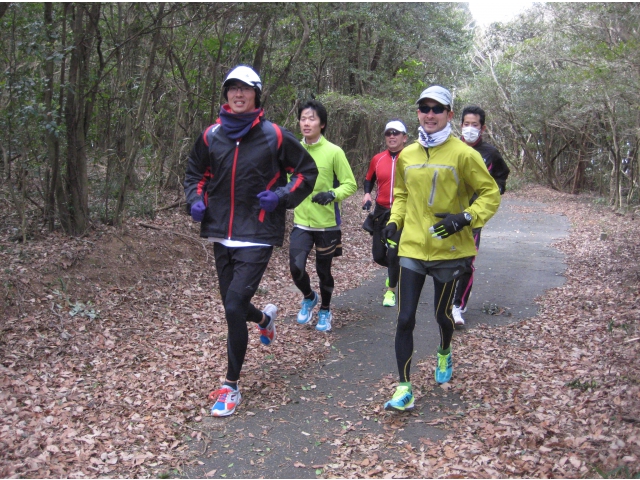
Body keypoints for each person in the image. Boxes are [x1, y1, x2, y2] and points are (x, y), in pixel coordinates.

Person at [184, 65, 318, 417]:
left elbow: (306, 172)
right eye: (232, 89)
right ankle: (263, 320)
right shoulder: (212, 135)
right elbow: (195, 173)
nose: (238, 94)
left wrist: (282, 196)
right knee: (236, 305)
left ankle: (230, 387)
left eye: (245, 89)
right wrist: (195, 200)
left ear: (257, 95)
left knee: (231, 308)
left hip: (257, 233)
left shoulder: (274, 135)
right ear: (226, 94)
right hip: (220, 232)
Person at [382, 85, 501, 412]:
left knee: (441, 314)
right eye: (425, 108)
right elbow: (402, 195)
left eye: (438, 109)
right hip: (413, 249)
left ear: (450, 114)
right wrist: (394, 221)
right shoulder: (408, 154)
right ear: (418, 112)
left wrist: (465, 218)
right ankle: (404, 388)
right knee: (404, 318)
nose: (430, 114)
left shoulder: (464, 154)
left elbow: (490, 194)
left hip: (449, 251)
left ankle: (445, 350)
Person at [290, 100, 357, 332]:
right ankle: (309, 297)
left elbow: (350, 184)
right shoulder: (294, 151)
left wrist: (332, 194)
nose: (306, 123)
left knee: (323, 270)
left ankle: (325, 310)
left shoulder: (334, 152)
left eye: (312, 118)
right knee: (296, 268)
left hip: (327, 224)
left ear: (322, 124)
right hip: (301, 221)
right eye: (303, 118)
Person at [451, 105, 510, 326]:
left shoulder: (490, 153)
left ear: (482, 127)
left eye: (474, 125)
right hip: (449, 213)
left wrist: (498, 188)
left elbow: (502, 176)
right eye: (466, 124)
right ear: (460, 125)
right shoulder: (452, 148)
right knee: (447, 260)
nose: (470, 129)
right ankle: (445, 299)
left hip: (473, 217)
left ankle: (458, 306)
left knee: (467, 261)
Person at [362, 120, 408, 307]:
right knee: (379, 255)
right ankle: (398, 270)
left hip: (402, 211)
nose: (392, 136)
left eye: (396, 133)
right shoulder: (378, 159)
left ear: (404, 137)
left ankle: (391, 290)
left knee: (393, 252)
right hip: (381, 212)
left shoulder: (412, 158)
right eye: (388, 133)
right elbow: (368, 179)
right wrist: (366, 194)